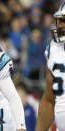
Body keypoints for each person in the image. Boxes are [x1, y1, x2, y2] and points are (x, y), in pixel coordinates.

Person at [36, 2, 65, 131]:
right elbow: (49, 100)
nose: (60, 25)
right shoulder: (54, 48)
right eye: (59, 21)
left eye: (64, 21)